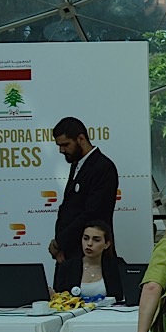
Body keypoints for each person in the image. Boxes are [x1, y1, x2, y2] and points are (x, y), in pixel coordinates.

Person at [50, 117, 119, 263]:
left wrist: (59, 243)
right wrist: (61, 245)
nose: (61, 150)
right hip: (70, 253)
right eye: (59, 146)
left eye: (65, 144)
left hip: (90, 256)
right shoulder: (77, 164)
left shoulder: (103, 167)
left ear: (81, 139)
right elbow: (68, 209)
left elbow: (92, 214)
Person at [52, 220, 124, 301]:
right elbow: (59, 298)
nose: (89, 243)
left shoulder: (117, 266)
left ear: (106, 244)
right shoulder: (66, 267)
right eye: (86, 238)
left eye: (96, 240)